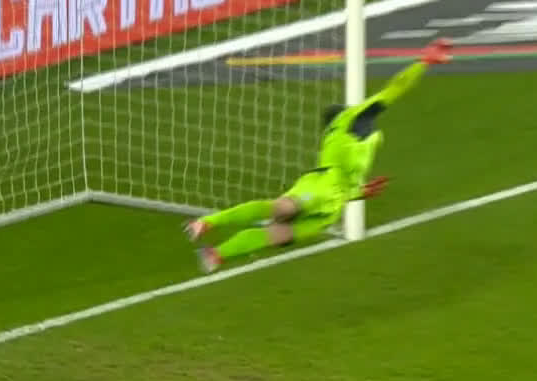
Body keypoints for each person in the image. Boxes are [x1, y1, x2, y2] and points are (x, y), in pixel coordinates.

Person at [186, 39, 451, 272]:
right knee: (281, 208)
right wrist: (424, 62)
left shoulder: (361, 136)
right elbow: (396, 87)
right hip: (320, 185)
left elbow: (346, 181)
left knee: (277, 234)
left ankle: (216, 254)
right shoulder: (349, 120)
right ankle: (208, 222)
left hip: (331, 209)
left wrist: (360, 192)